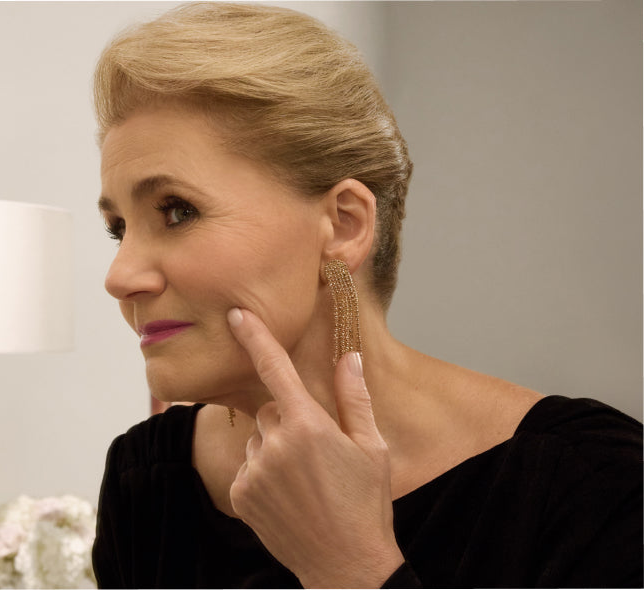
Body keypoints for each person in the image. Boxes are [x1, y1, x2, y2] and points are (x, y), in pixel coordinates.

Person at [91, 3, 642, 587]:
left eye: (177, 211)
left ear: (345, 225)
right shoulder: (147, 475)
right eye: (118, 228)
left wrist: (352, 568)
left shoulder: (593, 484)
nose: (119, 275)